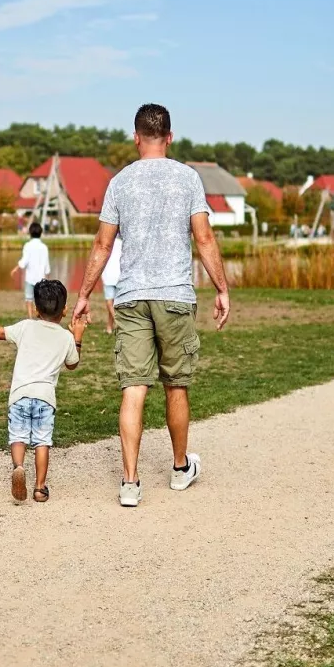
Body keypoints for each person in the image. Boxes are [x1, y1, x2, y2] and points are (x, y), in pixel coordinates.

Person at [73, 104, 230, 508]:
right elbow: (205, 239)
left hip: (131, 297)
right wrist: (222, 288)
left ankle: (130, 482)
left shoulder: (120, 182)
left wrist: (84, 294)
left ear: (136, 136)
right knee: (176, 385)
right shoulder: (188, 178)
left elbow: (103, 245)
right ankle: (180, 470)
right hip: (175, 295)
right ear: (171, 137)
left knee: (134, 387)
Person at [0, 279, 87, 504]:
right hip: (45, 398)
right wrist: (77, 336)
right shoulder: (65, 337)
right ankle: (39, 487)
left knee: (18, 437)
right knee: (42, 441)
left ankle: (18, 468)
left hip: (19, 395)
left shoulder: (26, 327)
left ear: (36, 309)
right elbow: (72, 363)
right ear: (65, 310)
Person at [11, 221, 50, 318]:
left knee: (29, 299)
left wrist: (16, 269)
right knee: (40, 299)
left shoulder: (28, 245)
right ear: (40, 233)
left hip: (30, 277)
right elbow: (46, 263)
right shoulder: (44, 247)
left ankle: (30, 318)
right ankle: (41, 317)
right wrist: (48, 275)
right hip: (41, 277)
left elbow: (24, 261)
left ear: (30, 233)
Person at [99, 234, 123, 334]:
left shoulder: (107, 242)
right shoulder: (122, 243)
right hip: (118, 275)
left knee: (110, 303)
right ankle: (109, 327)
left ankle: (118, 322)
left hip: (110, 275)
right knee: (114, 303)